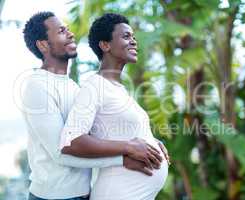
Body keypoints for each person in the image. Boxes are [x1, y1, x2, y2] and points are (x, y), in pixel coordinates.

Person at [22, 11, 168, 200]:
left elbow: (97, 135)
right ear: (43, 45)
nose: (70, 34)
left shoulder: (74, 87)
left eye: (68, 29)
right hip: (54, 196)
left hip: (81, 194)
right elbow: (62, 151)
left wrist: (148, 142)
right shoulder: (37, 86)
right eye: (61, 31)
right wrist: (123, 158)